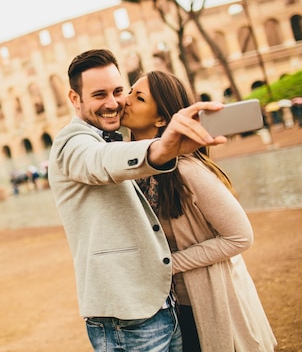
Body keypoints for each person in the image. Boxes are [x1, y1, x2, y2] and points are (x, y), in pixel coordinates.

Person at [47, 49, 227, 352]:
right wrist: (159, 149)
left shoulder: (114, 137)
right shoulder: (72, 144)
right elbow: (101, 161)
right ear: (75, 98)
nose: (113, 103)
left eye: (119, 91)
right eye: (99, 95)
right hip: (125, 316)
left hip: (158, 304)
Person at [121, 70, 277, 351]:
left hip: (207, 301)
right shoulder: (130, 167)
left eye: (139, 97)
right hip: (170, 307)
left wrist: (168, 265)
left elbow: (240, 237)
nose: (126, 99)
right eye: (130, 91)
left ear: (160, 119)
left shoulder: (186, 169)